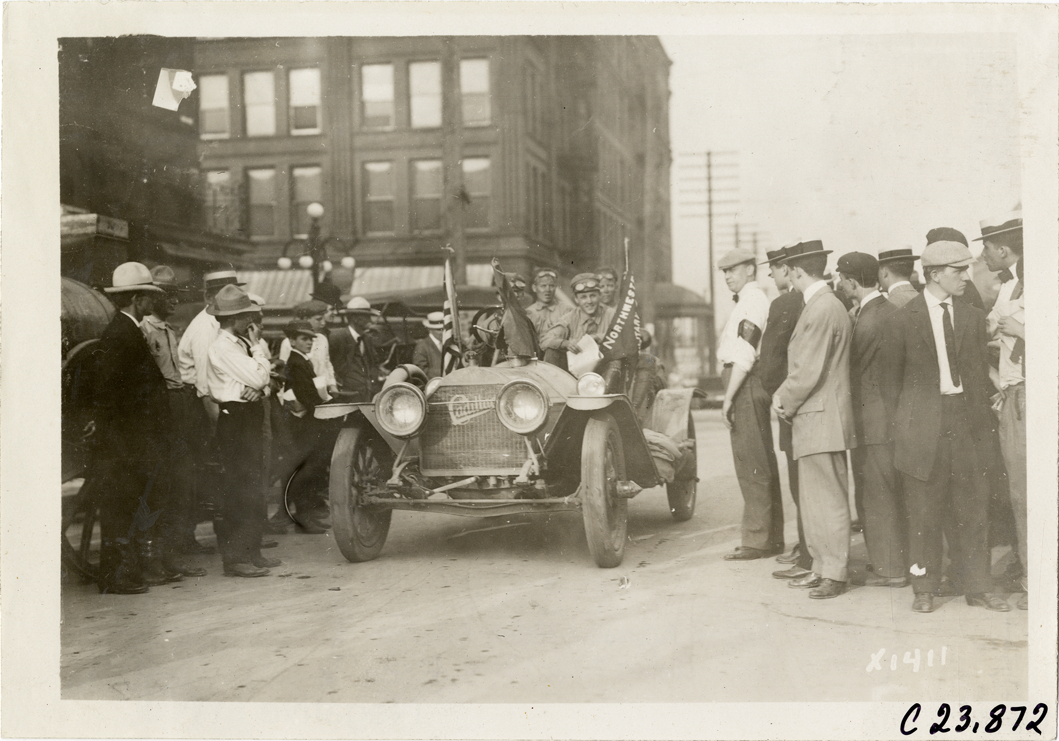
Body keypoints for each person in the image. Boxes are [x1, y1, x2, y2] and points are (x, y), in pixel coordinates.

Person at [880, 237, 1010, 613]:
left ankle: (979, 587)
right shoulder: (902, 320)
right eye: (958, 271)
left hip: (966, 425)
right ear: (934, 275)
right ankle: (924, 588)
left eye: (967, 269)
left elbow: (974, 374)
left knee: (972, 508)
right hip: (922, 427)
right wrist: (907, 429)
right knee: (923, 511)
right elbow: (891, 386)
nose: (966, 277)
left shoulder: (970, 316)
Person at [772, 240, 857, 600]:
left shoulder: (822, 308)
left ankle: (834, 572)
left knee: (828, 500)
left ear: (797, 271)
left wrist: (782, 400)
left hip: (820, 417)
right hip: (816, 418)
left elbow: (807, 370)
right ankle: (823, 568)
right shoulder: (823, 305)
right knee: (815, 500)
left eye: (789, 271)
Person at [90, 263, 171, 594]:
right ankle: (116, 576)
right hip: (126, 440)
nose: (153, 302)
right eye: (149, 296)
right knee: (121, 505)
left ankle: (124, 572)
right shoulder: (122, 334)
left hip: (129, 437)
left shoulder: (125, 330)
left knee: (125, 503)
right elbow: (110, 390)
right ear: (138, 300)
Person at [835, 252, 907, 588]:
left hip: (873, 422)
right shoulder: (888, 310)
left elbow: (852, 370)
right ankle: (894, 562)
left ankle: (890, 569)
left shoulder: (867, 319)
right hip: (891, 418)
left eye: (841, 278)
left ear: (850, 281)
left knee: (877, 495)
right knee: (889, 493)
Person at [713, 247, 784, 562]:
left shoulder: (753, 301)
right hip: (744, 382)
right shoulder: (747, 300)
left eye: (733, 270)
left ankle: (759, 540)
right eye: (724, 271)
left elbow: (745, 350)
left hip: (746, 382)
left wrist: (728, 398)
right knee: (757, 460)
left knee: (752, 462)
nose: (727, 276)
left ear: (750, 270)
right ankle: (769, 537)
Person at [206, 284, 279, 577]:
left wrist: (258, 389)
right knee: (238, 489)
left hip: (247, 414)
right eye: (245, 315)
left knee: (253, 485)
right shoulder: (223, 346)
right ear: (233, 318)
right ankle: (236, 558)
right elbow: (261, 374)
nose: (250, 320)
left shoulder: (238, 344)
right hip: (235, 419)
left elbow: (262, 383)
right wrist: (260, 355)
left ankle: (251, 551)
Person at [141, 265, 208, 579]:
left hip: (179, 407)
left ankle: (172, 554)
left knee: (183, 482)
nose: (174, 301)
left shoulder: (168, 331)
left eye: (175, 295)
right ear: (150, 298)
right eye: (166, 295)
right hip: (161, 411)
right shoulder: (145, 331)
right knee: (163, 486)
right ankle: (156, 557)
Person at [976, 210, 1026, 610]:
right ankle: (1028, 571)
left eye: (988, 249)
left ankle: (1035, 580)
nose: (985, 258)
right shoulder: (1008, 286)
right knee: (1018, 490)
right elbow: (993, 328)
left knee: (1026, 491)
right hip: (1013, 394)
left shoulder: (1035, 279)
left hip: (1028, 395)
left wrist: (1022, 332)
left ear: (1003, 248)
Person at [175, 267, 244, 554]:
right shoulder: (205, 328)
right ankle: (195, 538)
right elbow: (205, 385)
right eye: (221, 294)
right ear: (207, 296)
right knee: (209, 473)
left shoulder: (216, 324)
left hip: (213, 404)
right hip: (201, 408)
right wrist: (218, 429)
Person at [757, 247, 813, 579]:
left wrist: (777, 396)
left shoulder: (784, 304)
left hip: (791, 405)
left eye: (774, 270)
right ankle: (808, 547)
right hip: (818, 407)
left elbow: (769, 363)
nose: (773, 277)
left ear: (784, 268)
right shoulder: (820, 299)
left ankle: (808, 553)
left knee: (799, 482)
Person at [280, 320, 331, 534]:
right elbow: (306, 396)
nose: (309, 342)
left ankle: (307, 515)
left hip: (305, 420)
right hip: (302, 423)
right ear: (292, 341)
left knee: (308, 470)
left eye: (311, 338)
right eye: (304, 338)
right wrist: (327, 404)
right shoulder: (296, 362)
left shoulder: (302, 360)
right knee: (305, 470)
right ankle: (303, 517)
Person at [541, 273, 615, 359]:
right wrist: (565, 343)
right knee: (551, 352)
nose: (589, 301)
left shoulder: (612, 314)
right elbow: (545, 340)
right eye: (583, 297)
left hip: (605, 365)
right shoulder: (570, 318)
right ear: (576, 299)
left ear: (599, 295)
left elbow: (625, 337)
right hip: (577, 367)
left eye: (593, 296)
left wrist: (596, 338)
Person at [279, 299, 339, 397]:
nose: (323, 323)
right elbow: (285, 373)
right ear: (306, 318)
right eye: (319, 319)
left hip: (323, 391)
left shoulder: (322, 339)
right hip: (302, 393)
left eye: (324, 319)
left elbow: (327, 363)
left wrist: (332, 384)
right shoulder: (288, 343)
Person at [330, 296, 382, 402]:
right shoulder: (338, 338)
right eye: (366, 316)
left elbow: (373, 365)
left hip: (366, 397)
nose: (370, 320)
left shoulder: (367, 339)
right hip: (347, 398)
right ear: (354, 318)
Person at [526, 269, 572, 367]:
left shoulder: (566, 310)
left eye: (551, 286)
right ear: (534, 288)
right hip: (535, 361)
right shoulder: (529, 313)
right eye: (543, 286)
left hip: (561, 359)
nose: (548, 290)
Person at [413, 312, 445, 380]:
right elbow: (421, 370)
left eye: (444, 329)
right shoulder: (422, 346)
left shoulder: (448, 344)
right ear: (430, 329)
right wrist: (446, 372)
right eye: (439, 330)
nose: (443, 332)